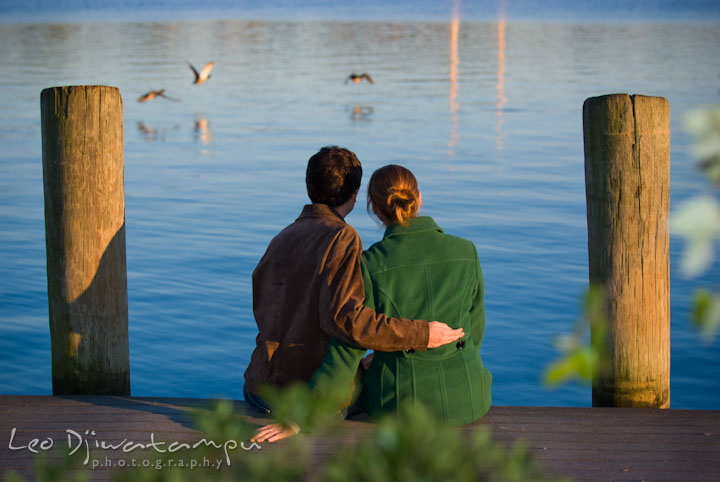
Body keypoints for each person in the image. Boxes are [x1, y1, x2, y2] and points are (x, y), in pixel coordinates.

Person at [253, 164, 492, 442]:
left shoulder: (370, 263)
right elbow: (475, 329)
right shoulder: (466, 251)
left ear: (374, 208)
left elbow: (347, 348)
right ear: (419, 198)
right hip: (469, 398)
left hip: (400, 405)